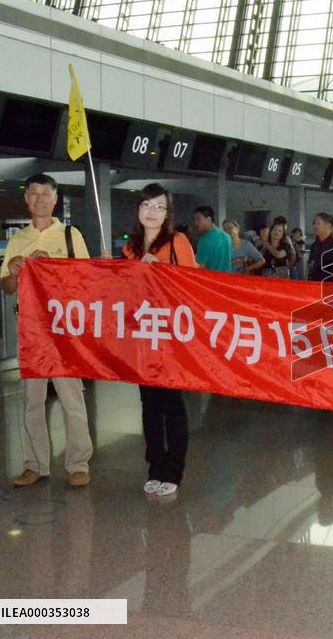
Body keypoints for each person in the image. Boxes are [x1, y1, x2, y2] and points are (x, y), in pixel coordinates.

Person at [1, 174, 94, 488]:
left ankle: (78, 463)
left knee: (72, 399)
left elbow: (87, 281)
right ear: (26, 199)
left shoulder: (70, 235)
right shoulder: (17, 239)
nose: (39, 199)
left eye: (45, 193)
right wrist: (14, 271)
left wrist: (51, 264)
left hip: (63, 331)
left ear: (55, 199)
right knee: (32, 401)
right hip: (31, 332)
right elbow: (7, 287)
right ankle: (34, 464)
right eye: (33, 194)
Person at [123, 184, 197, 497]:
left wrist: (162, 273)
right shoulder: (132, 246)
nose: (151, 212)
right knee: (148, 405)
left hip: (170, 335)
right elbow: (125, 292)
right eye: (146, 205)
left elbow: (193, 286)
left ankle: (174, 470)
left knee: (171, 405)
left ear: (168, 213)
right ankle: (154, 466)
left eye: (159, 207)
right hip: (142, 336)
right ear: (138, 209)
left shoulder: (178, 242)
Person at [307, 212, 333, 282]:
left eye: (318, 223)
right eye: (314, 223)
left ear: (328, 225)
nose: (314, 226)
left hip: (332, 285)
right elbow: (311, 265)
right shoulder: (315, 245)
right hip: (316, 284)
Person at [192, 205, 232, 272]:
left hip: (211, 279)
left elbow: (200, 267)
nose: (196, 223)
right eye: (195, 220)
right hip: (226, 279)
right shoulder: (226, 236)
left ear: (208, 219)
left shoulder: (204, 240)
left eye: (198, 219)